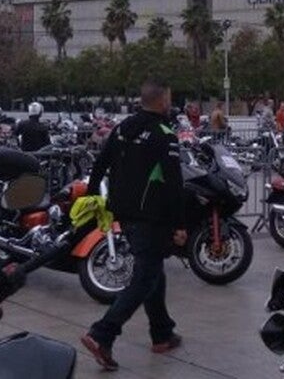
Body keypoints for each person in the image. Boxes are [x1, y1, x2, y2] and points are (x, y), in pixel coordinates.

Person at [81, 78, 185, 370]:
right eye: (169, 98)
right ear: (163, 101)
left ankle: (162, 332)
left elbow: (100, 163)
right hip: (152, 218)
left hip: (124, 215)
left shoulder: (122, 128)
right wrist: (179, 224)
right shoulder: (164, 134)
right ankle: (102, 334)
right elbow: (174, 183)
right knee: (143, 279)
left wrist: (92, 198)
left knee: (152, 271)